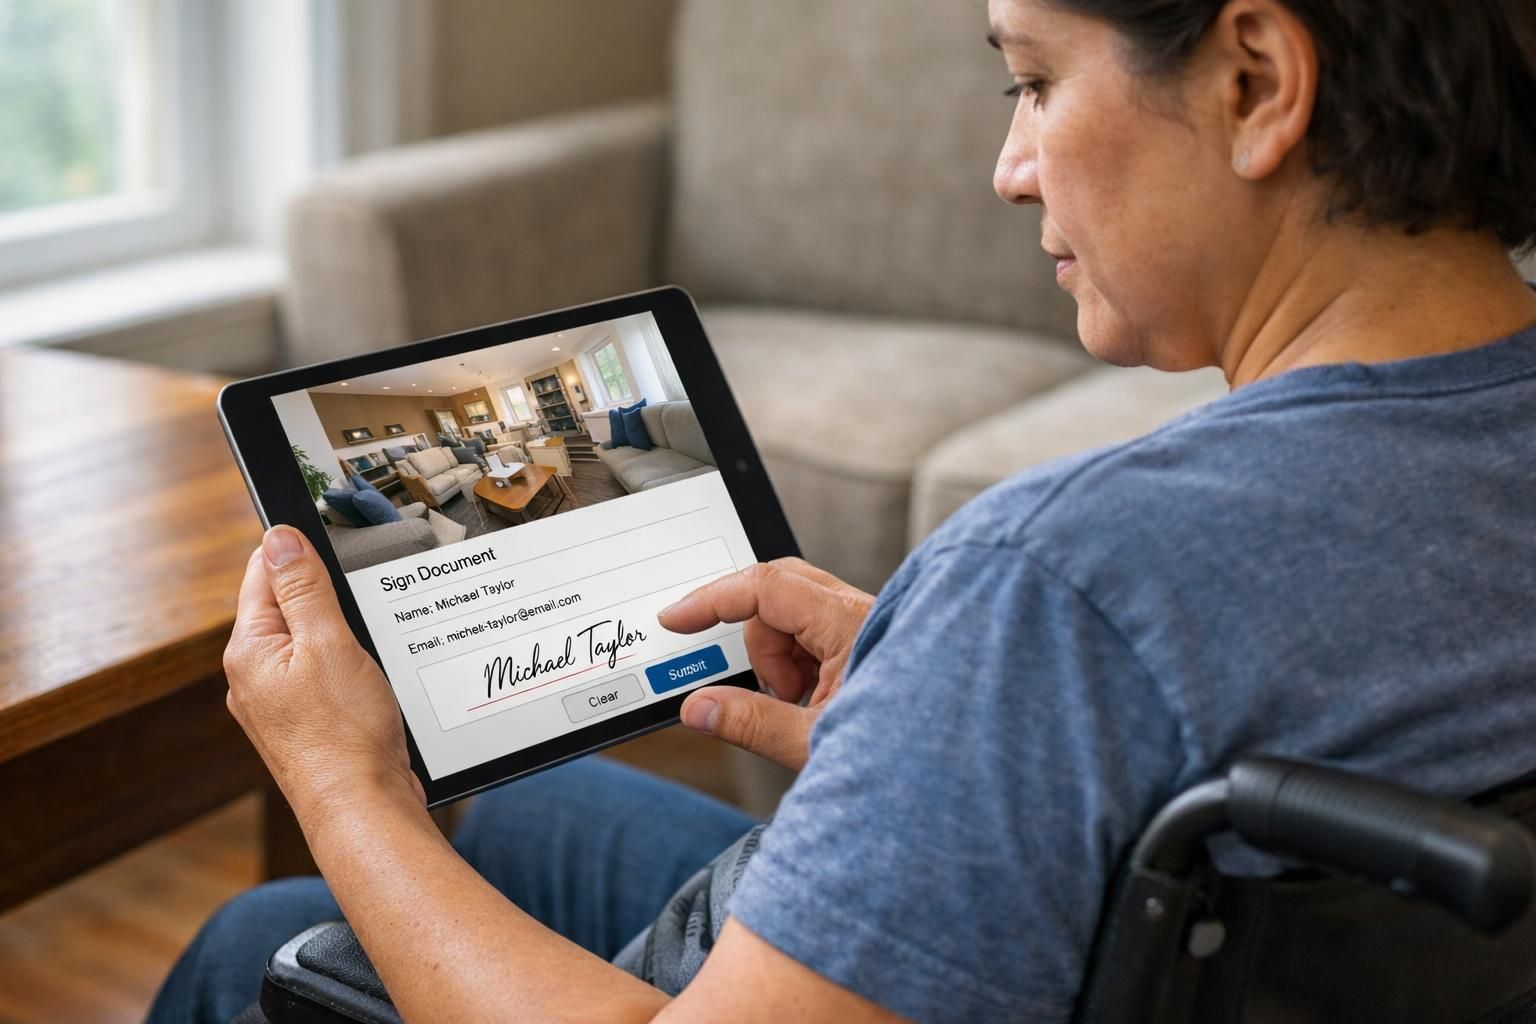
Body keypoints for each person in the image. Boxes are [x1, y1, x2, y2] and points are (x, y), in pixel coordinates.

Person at [150, 0, 1536, 1020]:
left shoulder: (1060, 583)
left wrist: (343, 783)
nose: (1011, 166)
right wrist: (944, 711)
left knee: (259, 940)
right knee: (530, 808)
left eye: (1038, 80)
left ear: (1255, 82)